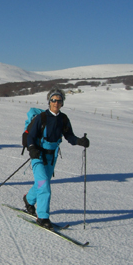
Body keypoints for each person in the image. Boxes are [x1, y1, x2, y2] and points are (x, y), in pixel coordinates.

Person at [23, 87, 90, 229]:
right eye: (53, 100)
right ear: (49, 101)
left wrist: (80, 141)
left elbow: (69, 136)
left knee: (42, 183)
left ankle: (28, 200)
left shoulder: (63, 119)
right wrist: (32, 149)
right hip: (38, 155)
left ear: (62, 103)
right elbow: (30, 136)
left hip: (51, 157)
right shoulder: (41, 118)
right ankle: (42, 217)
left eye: (59, 100)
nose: (56, 103)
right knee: (45, 185)